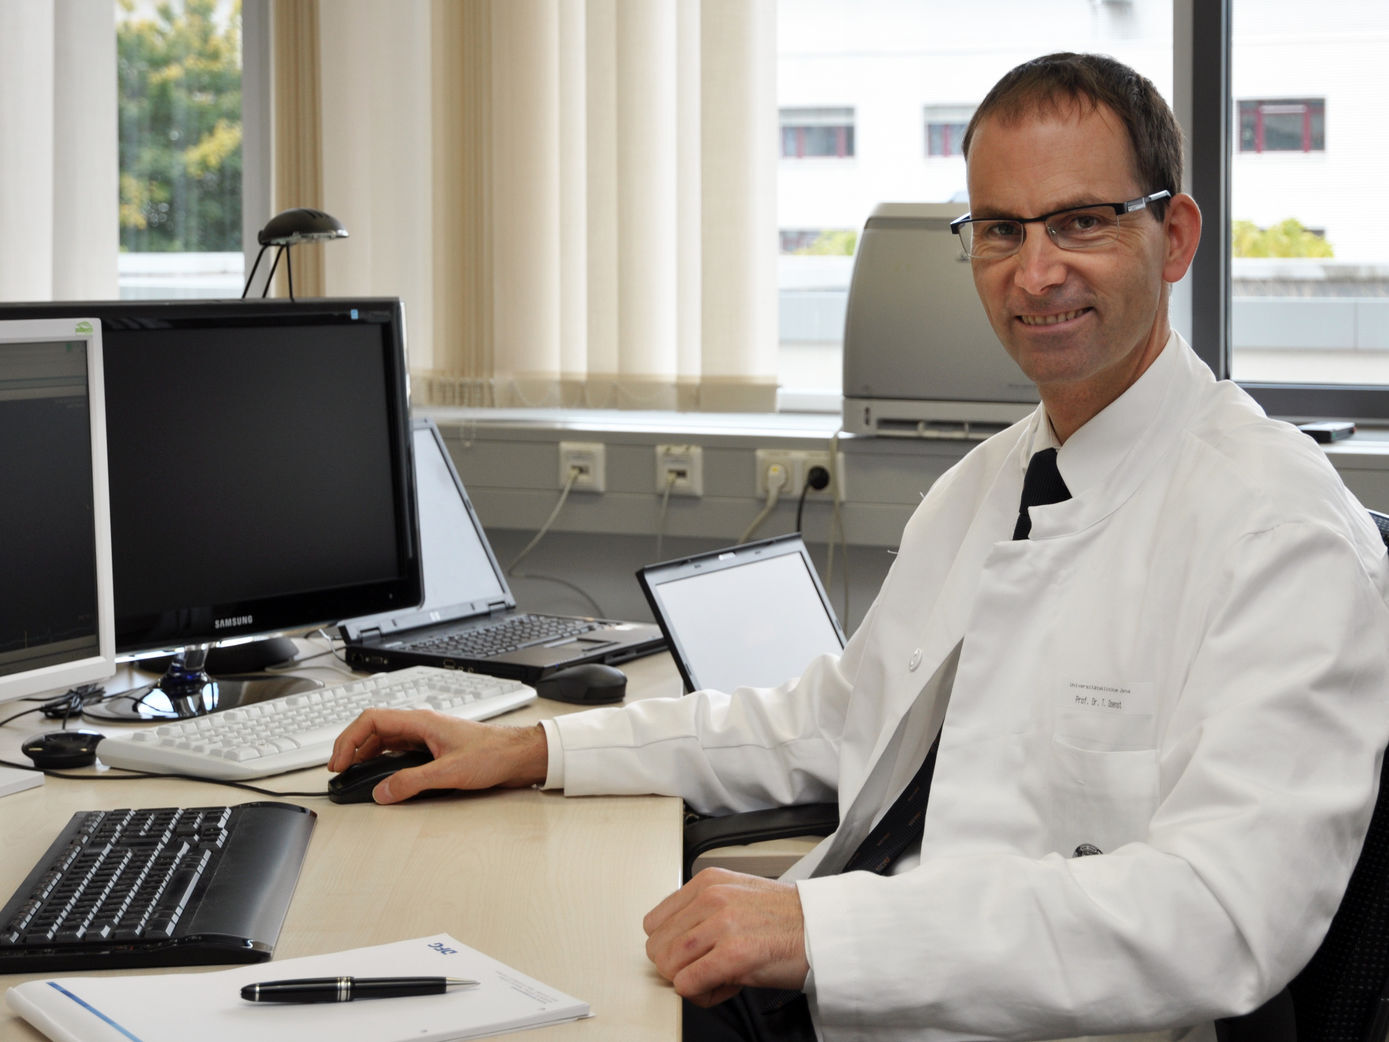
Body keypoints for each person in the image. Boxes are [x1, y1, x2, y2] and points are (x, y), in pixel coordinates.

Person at [329, 53, 1389, 1042]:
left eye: (1080, 222)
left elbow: (1223, 915)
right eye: (1001, 230)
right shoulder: (991, 480)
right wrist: (535, 750)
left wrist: (820, 932)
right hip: (859, 991)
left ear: (1177, 235)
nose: (1035, 273)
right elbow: (835, 719)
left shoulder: (1278, 531)